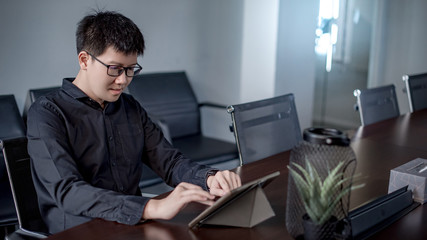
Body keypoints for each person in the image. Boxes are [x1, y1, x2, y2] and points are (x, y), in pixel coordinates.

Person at [26, 10, 241, 234]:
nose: (123, 80)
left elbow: (168, 161)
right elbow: (68, 191)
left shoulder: (129, 107)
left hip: (131, 224)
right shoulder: (48, 113)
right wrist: (150, 207)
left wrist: (209, 178)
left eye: (130, 70)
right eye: (115, 69)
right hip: (79, 230)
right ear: (84, 60)